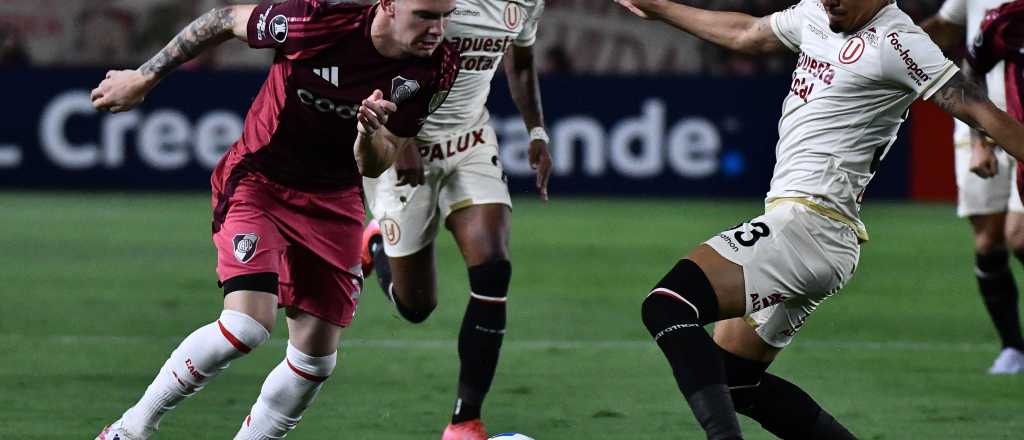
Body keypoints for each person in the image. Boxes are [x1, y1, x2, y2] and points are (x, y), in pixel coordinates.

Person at [614, 0, 1024, 438]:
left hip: (808, 227)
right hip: (811, 232)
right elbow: (746, 33)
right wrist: (660, 9)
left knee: (668, 305)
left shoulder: (898, 41)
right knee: (735, 382)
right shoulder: (815, 15)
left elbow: (981, 110)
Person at [89, 0, 458, 438]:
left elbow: (376, 163)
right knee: (245, 326)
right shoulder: (317, 21)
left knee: (314, 363)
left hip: (335, 200)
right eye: (425, 15)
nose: (437, 29)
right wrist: (144, 77)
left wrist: (367, 133)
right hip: (260, 182)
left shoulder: (438, 67)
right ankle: (129, 430)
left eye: (445, 15)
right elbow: (223, 19)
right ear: (389, 5)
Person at [360, 0, 552, 437]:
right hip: (403, 141)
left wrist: (537, 130)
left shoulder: (527, 3)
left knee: (493, 268)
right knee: (415, 306)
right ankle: (374, 242)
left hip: (470, 141)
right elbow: (372, 50)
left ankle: (465, 421)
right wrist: (398, 135)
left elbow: (521, 64)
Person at [921, 0, 1024, 375]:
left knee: (1020, 238)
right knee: (987, 242)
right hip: (977, 123)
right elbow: (948, 28)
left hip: (1020, 127)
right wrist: (889, 45)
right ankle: (1013, 348)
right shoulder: (994, 16)